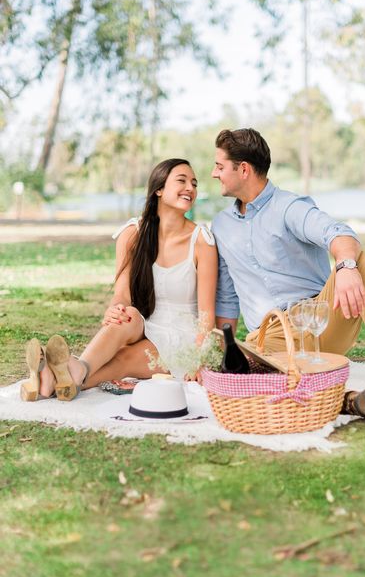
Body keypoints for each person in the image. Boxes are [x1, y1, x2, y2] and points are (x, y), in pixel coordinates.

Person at [211, 128, 365, 420]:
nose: (214, 173)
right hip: (269, 338)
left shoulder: (289, 207)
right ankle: (349, 401)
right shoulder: (220, 226)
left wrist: (346, 267)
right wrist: (225, 348)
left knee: (359, 260)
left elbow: (338, 233)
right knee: (244, 377)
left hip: (319, 322)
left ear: (243, 169)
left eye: (220, 166)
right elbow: (227, 297)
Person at [21, 158, 218, 402]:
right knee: (128, 314)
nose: (191, 188)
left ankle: (50, 380)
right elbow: (122, 294)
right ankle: (75, 369)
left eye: (194, 183)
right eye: (182, 180)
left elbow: (207, 315)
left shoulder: (201, 240)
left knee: (123, 359)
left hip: (181, 337)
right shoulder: (132, 234)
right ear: (158, 189)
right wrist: (115, 310)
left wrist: (198, 359)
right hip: (144, 323)